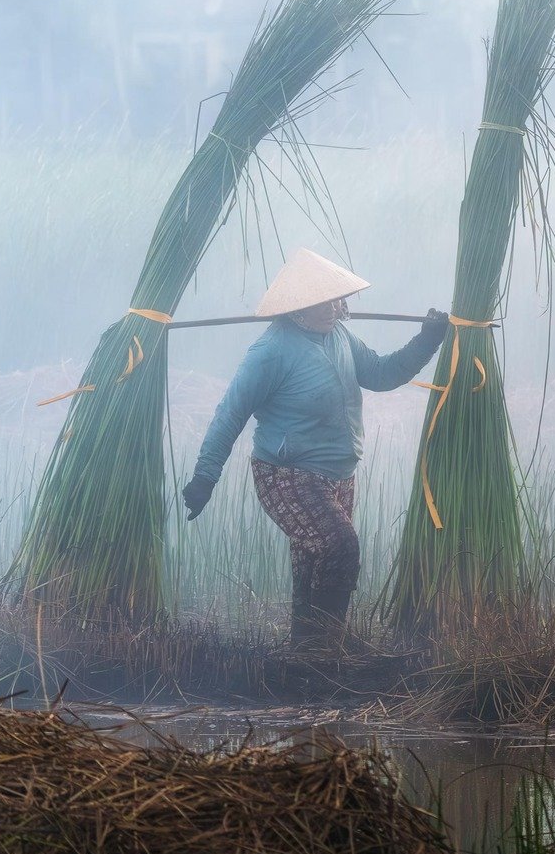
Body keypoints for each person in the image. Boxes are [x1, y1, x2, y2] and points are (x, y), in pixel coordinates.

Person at [181, 248, 448, 648]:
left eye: (338, 298)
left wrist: (426, 341)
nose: (337, 307)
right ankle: (327, 650)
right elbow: (230, 413)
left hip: (340, 475)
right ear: (296, 309)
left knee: (314, 563)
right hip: (287, 474)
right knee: (340, 547)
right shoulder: (270, 352)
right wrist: (206, 476)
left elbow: (381, 374)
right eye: (324, 300)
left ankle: (306, 655)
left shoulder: (340, 335)